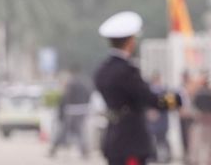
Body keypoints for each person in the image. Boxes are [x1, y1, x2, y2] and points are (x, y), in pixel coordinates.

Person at [93, 11, 180, 165]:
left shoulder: (102, 70)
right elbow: (151, 99)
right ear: (131, 42)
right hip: (131, 140)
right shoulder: (127, 71)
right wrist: (178, 98)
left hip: (114, 138)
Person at [49, 66, 92, 159]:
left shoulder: (70, 84)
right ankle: (84, 151)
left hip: (71, 110)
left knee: (63, 131)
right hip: (82, 110)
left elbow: (65, 98)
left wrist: (61, 111)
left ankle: (53, 149)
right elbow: (89, 95)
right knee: (80, 131)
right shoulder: (84, 83)